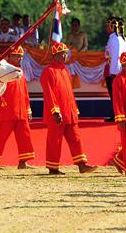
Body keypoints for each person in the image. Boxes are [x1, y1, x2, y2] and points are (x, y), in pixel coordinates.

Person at [41, 41, 97, 175]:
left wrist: (74, 109)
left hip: (69, 112)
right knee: (55, 141)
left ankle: (82, 165)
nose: (65, 57)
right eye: (63, 54)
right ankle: (53, 168)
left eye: (66, 54)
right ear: (55, 55)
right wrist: (55, 111)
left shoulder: (65, 70)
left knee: (76, 138)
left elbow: (69, 93)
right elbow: (49, 94)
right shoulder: (48, 71)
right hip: (57, 114)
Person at [0, 46, 34, 170]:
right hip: (7, 109)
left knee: (24, 136)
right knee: (1, 137)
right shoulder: (3, 70)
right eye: (16, 56)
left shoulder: (20, 71)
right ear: (9, 56)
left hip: (21, 110)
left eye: (20, 56)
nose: (19, 58)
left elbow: (25, 92)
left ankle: (23, 162)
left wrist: (28, 109)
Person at [104, 17, 126, 107]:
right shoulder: (119, 38)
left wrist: (113, 72)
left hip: (114, 69)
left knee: (115, 93)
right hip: (115, 68)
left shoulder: (115, 39)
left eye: (107, 26)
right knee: (115, 93)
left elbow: (116, 57)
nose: (106, 28)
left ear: (112, 27)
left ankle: (117, 113)